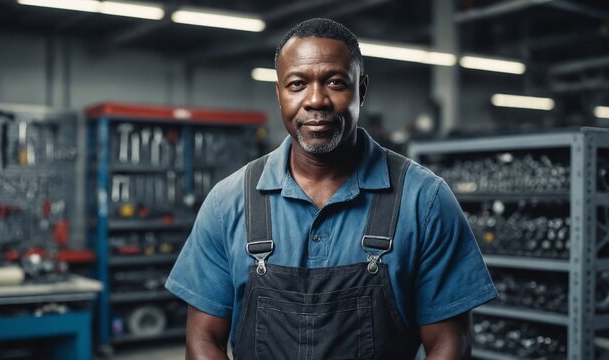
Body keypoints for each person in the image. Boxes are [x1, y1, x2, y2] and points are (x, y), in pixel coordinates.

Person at [166, 18, 497, 360]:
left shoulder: (424, 200)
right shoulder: (228, 202)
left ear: (362, 90)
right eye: (296, 84)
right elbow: (203, 340)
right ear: (279, 93)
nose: (316, 100)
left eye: (335, 82)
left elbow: (450, 343)